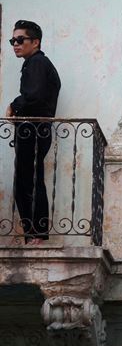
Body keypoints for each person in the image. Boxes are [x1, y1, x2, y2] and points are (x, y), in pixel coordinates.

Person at [6, 20, 61, 245]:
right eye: (13, 41)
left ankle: (36, 235)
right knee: (28, 180)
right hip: (33, 129)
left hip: (34, 129)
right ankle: (35, 234)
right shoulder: (34, 63)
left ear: (35, 42)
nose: (16, 44)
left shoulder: (37, 63)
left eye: (20, 40)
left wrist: (14, 104)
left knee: (28, 181)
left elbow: (35, 95)